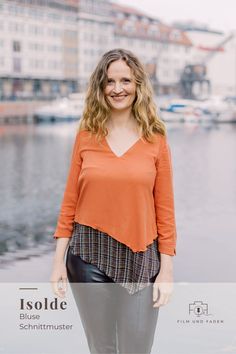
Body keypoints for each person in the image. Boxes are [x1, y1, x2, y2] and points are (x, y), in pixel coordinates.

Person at [50, 48, 177, 354]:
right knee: (103, 349)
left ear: (138, 85)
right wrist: (57, 263)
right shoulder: (86, 135)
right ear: (100, 87)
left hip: (141, 256)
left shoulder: (155, 138)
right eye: (109, 81)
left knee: (136, 348)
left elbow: (165, 208)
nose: (117, 89)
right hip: (88, 255)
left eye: (125, 81)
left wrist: (167, 269)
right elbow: (70, 203)